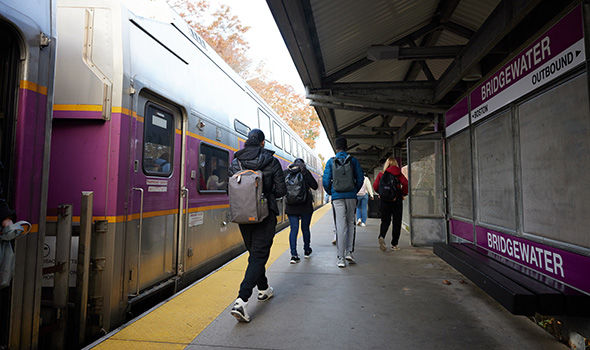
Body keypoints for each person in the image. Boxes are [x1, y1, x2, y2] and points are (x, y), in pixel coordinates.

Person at [228, 129, 286, 322]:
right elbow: (280, 191)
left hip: (243, 214)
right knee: (259, 255)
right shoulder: (271, 160)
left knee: (255, 254)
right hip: (264, 213)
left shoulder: (236, 161)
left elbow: (229, 188)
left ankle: (264, 289)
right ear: (262, 143)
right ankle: (242, 301)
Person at [322, 137, 363, 268]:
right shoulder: (353, 161)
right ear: (346, 147)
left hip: (337, 197)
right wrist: (353, 190)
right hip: (351, 196)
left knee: (340, 225)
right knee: (351, 223)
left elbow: (326, 181)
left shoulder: (331, 161)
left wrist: (332, 192)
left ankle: (340, 258)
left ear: (336, 148)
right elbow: (360, 178)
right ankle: (349, 252)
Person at [284, 158, 318, 263]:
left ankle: (294, 255)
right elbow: (315, 186)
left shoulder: (286, 172)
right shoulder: (305, 172)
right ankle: (307, 250)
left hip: (291, 206)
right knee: (305, 229)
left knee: (293, 230)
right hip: (305, 206)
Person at [373, 157, 408, 251]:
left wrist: (382, 193)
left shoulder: (382, 174)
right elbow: (406, 184)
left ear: (386, 164)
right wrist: (403, 193)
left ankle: (382, 236)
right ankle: (394, 244)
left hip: (384, 201)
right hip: (397, 200)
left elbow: (375, 186)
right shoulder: (399, 174)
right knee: (397, 222)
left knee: (385, 221)